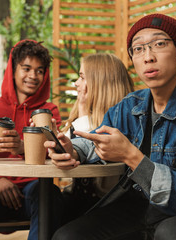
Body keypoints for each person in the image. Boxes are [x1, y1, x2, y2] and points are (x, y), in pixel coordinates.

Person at [46, 14, 176, 240]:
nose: (148, 57)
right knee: (68, 236)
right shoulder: (131, 106)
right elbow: (97, 137)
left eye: (159, 44)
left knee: (172, 233)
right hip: (142, 210)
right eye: (138, 49)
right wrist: (72, 150)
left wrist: (132, 157)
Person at [0, 39, 63, 240]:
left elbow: (57, 155)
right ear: (12, 70)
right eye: (26, 68)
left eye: (40, 70)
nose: (33, 76)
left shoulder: (49, 112)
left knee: (50, 194)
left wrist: (24, 147)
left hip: (33, 193)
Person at [60, 53, 134, 223]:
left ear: (99, 85)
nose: (77, 83)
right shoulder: (84, 119)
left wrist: (83, 111)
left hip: (104, 207)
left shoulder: (117, 127)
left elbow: (84, 142)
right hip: (82, 201)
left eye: (82, 78)